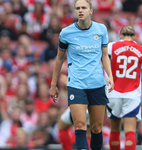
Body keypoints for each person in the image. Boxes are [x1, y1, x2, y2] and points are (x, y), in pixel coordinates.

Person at [50, 0, 114, 150]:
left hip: (97, 83)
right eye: (77, 8)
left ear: (90, 11)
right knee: (79, 125)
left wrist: (110, 75)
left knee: (97, 128)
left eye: (83, 7)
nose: (80, 10)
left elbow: (105, 56)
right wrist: (53, 85)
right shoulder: (66, 33)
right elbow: (59, 58)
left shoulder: (101, 29)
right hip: (76, 85)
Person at [106, 26, 142, 150]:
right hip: (132, 93)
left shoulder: (111, 46)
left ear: (121, 35)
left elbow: (103, 64)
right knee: (130, 132)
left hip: (113, 92)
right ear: (134, 36)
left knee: (115, 131)